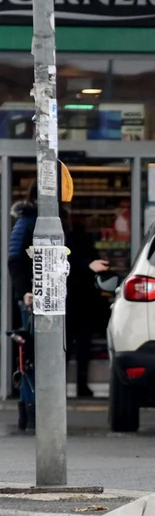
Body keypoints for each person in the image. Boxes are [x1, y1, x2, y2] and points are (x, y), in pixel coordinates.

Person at [61, 208, 109, 398]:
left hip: (68, 301)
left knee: (65, 347)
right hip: (85, 302)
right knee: (83, 347)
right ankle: (82, 384)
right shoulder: (86, 245)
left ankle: (60, 385)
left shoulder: (65, 242)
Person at [8, 182, 38, 432]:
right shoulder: (28, 220)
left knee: (38, 356)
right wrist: (24, 291)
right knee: (30, 357)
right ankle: (29, 411)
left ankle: (34, 412)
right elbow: (15, 259)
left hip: (50, 298)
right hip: (31, 298)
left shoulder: (55, 219)